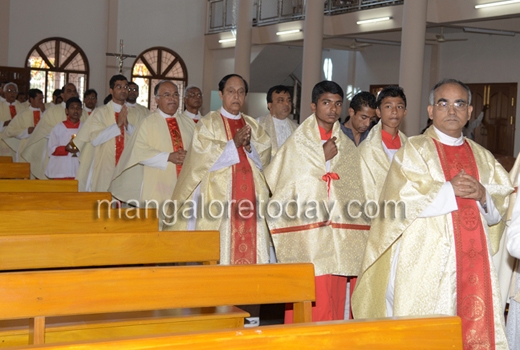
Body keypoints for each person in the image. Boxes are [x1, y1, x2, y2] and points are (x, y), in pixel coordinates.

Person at [352, 79, 512, 350]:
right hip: (425, 263)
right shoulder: (414, 150)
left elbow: (501, 211)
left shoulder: (483, 157)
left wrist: (484, 196)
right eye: (443, 103)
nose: (452, 110)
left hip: (474, 266)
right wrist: (449, 190)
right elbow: (399, 202)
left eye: (460, 103)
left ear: (470, 112)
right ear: (430, 111)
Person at [264, 80, 369, 322]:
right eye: (326, 103)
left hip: (338, 234)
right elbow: (282, 182)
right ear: (313, 106)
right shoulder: (297, 142)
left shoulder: (346, 144)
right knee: (314, 293)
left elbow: (355, 187)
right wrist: (319, 159)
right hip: (308, 233)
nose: (333, 109)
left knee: (333, 293)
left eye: (337, 104)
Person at [167, 73, 272, 266]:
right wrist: (233, 144)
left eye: (241, 92)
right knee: (222, 250)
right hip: (220, 197)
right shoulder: (208, 123)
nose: (236, 96)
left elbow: (264, 160)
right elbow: (200, 160)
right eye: (231, 91)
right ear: (221, 94)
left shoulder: (253, 125)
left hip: (251, 197)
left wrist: (250, 148)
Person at [110, 80, 195, 220]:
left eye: (175, 94)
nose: (172, 98)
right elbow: (138, 151)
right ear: (157, 99)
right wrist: (168, 157)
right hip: (158, 184)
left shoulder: (188, 122)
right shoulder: (147, 122)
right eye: (167, 95)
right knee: (158, 228)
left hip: (185, 185)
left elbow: (199, 149)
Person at [75, 75, 143, 192]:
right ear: (111, 90)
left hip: (127, 165)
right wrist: (117, 125)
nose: (123, 90)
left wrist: (127, 125)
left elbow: (141, 138)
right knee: (104, 202)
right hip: (105, 165)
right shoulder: (100, 113)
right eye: (119, 87)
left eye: (125, 87)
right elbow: (95, 139)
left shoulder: (135, 114)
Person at [20, 83, 86, 179]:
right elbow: (43, 131)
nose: (72, 93)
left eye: (74, 91)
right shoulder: (52, 111)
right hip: (60, 161)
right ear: (62, 95)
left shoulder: (83, 115)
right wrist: (65, 144)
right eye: (69, 91)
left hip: (79, 162)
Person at [359, 86, 408, 203]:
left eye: (399, 107)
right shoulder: (366, 149)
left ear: (405, 112)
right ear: (378, 112)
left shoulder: (410, 148)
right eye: (388, 106)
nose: (394, 111)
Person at [2, 88, 45, 162]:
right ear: (31, 99)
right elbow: (11, 130)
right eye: (39, 99)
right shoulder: (23, 114)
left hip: (42, 146)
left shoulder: (46, 112)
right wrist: (26, 131)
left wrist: (44, 112)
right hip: (25, 146)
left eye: (42, 99)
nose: (41, 102)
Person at [45, 97, 82, 179]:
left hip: (79, 168)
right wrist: (65, 148)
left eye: (78, 108)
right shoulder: (58, 128)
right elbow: (51, 149)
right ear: (66, 111)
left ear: (81, 111)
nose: (75, 111)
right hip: (61, 169)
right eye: (72, 108)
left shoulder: (85, 128)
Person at [257, 85, 298, 157]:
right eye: (281, 100)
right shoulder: (258, 125)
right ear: (270, 105)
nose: (286, 104)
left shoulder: (297, 128)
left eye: (289, 100)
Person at [0, 83, 28, 158]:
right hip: (3, 140)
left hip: (19, 140)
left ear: (17, 93)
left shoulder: (23, 108)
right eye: (9, 91)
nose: (12, 93)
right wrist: (4, 123)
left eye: (14, 91)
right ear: (4, 93)